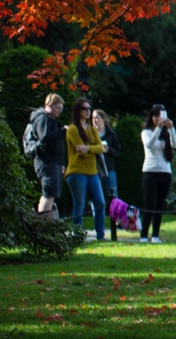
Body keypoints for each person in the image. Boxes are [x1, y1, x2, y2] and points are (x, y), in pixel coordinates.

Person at [63, 98, 107, 241]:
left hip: (92, 172)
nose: (88, 111)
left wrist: (88, 148)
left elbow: (100, 148)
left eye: (89, 108)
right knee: (79, 204)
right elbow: (80, 150)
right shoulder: (73, 129)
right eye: (84, 108)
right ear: (78, 110)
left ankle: (100, 235)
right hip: (76, 172)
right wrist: (92, 149)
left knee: (100, 203)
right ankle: (78, 235)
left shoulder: (91, 129)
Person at [140, 104, 176, 243]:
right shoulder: (146, 132)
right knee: (150, 204)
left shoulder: (166, 133)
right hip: (150, 171)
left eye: (161, 116)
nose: (159, 119)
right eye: (156, 116)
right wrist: (158, 128)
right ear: (152, 117)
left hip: (165, 171)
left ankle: (155, 235)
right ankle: (144, 235)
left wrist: (171, 129)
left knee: (159, 205)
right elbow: (149, 145)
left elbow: (175, 145)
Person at [28, 94, 68, 218]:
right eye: (58, 108)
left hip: (53, 162)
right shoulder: (42, 119)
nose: (60, 111)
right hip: (46, 162)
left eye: (61, 109)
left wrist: (61, 163)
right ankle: (43, 223)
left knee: (51, 194)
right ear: (49, 105)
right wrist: (62, 132)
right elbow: (44, 137)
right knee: (48, 193)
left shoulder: (51, 120)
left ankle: (45, 222)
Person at [92, 109, 122, 198]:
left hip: (109, 168)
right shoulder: (91, 134)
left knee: (113, 194)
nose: (94, 120)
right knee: (95, 194)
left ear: (103, 119)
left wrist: (108, 150)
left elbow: (118, 152)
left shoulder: (111, 134)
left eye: (96, 118)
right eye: (93, 118)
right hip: (94, 168)